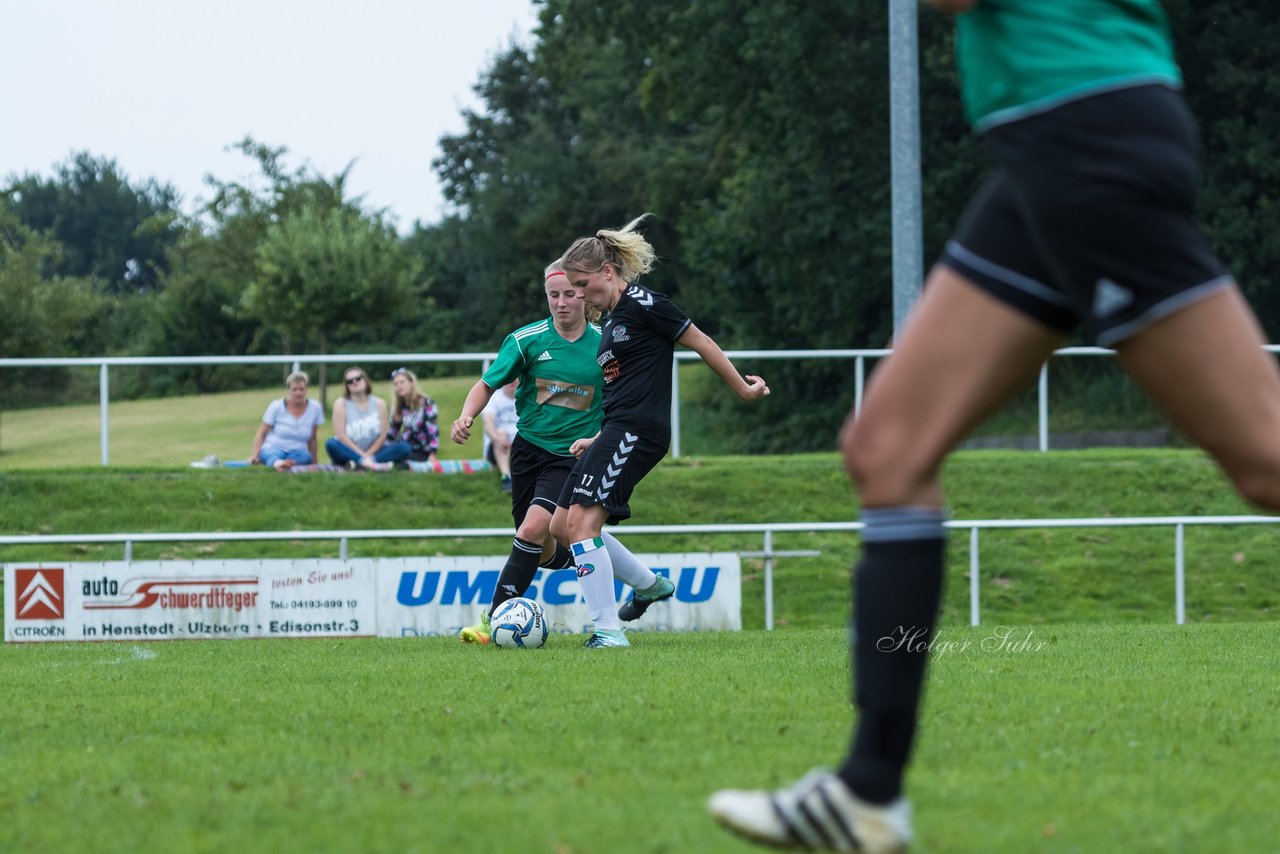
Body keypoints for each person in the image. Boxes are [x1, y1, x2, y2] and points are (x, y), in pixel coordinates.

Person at [708, 2, 1280, 851]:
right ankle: (866, 794)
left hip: (1086, 131)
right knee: (888, 449)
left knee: (1268, 463)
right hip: (1051, 144)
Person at [548, 215, 770, 648]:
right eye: (570, 286)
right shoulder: (611, 318)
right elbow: (628, 387)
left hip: (638, 431)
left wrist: (743, 389)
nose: (576, 294)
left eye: (581, 284)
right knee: (561, 525)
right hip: (618, 428)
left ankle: (608, 632)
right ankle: (647, 585)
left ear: (608, 273)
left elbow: (703, 342)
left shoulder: (647, 305)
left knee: (583, 525)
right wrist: (599, 436)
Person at [453, 260, 673, 645]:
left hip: (573, 455)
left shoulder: (604, 344)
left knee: (533, 529)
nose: (561, 302)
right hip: (528, 452)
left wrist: (602, 436)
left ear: (583, 295)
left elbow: (619, 404)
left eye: (570, 294)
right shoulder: (527, 340)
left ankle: (493, 619)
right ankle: (647, 582)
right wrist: (466, 416)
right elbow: (486, 384)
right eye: (553, 295)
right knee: (547, 545)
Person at [324, 367, 409, 471]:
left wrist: (367, 456)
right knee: (331, 444)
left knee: (404, 448)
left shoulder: (380, 403)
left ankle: (358, 464)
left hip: (375, 452)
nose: (354, 382)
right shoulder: (341, 404)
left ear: (365, 380)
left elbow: (382, 436)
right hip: (348, 450)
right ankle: (371, 464)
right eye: (350, 381)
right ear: (347, 386)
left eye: (358, 378)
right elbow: (341, 436)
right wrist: (360, 455)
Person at [249, 370, 325, 471]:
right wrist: (254, 455)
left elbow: (312, 439)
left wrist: (314, 462)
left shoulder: (315, 407)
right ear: (289, 390)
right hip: (274, 447)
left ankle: (283, 464)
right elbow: (262, 433)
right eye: (294, 389)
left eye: (301, 389)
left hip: (297, 451)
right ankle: (278, 463)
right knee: (267, 453)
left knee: (306, 457)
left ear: (306, 390)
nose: (298, 393)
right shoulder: (276, 406)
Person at [387, 367, 440, 463]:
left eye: (402, 382)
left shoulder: (427, 403)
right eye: (396, 384)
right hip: (404, 448)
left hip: (422, 450)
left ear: (411, 383)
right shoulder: (397, 407)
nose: (399, 386)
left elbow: (433, 430)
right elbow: (392, 432)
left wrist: (432, 454)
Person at [481, 380, 519, 492]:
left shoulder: (526, 397)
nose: (511, 383)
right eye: (509, 380)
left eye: (514, 380)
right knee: (501, 433)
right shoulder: (494, 398)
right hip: (498, 447)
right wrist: (497, 439)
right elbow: (488, 425)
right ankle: (506, 477)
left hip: (520, 444)